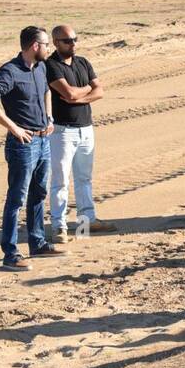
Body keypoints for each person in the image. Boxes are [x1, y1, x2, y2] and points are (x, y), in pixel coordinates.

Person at [0, 26, 68, 270]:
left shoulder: (40, 67)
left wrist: (49, 118)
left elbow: (47, 92)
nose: (50, 48)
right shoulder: (9, 71)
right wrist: (13, 128)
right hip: (22, 145)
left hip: (43, 140)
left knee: (39, 193)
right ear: (35, 46)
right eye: (46, 44)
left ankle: (37, 244)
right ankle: (10, 254)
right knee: (16, 199)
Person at [44, 24, 115, 240]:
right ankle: (59, 226)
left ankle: (88, 220)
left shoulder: (83, 62)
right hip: (62, 131)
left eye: (75, 39)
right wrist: (86, 89)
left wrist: (82, 93)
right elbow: (68, 93)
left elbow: (99, 90)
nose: (73, 43)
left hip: (86, 128)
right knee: (60, 180)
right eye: (67, 40)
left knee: (84, 178)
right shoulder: (51, 66)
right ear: (56, 43)